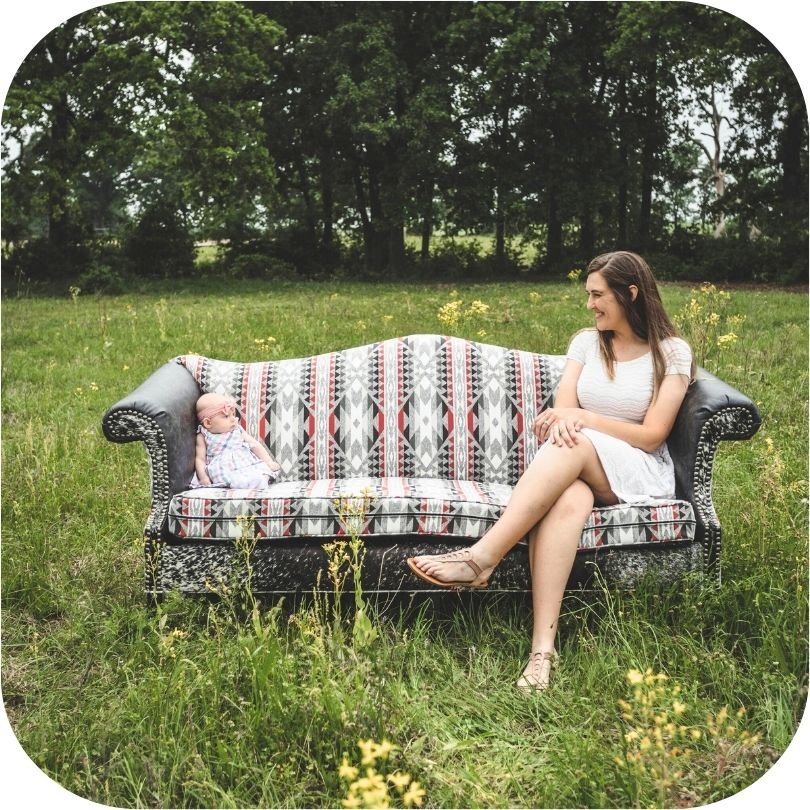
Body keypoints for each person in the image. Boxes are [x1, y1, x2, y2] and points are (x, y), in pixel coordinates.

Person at [407, 251, 694, 692]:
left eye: (598, 295)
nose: (590, 304)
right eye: (588, 295)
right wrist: (568, 418)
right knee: (569, 497)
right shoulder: (586, 342)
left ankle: (482, 558)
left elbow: (653, 434)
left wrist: (583, 419)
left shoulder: (671, 352)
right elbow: (562, 407)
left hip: (636, 470)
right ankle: (542, 653)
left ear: (630, 293)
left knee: (573, 440)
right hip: (577, 463)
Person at [192, 392, 281, 489]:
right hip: (224, 469)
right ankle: (241, 483)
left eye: (233, 414)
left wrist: (268, 461)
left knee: (260, 470)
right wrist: (203, 478)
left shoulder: (237, 429)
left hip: (246, 463)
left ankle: (259, 480)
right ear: (208, 423)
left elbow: (255, 445)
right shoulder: (203, 436)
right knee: (232, 478)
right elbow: (200, 459)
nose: (233, 419)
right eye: (226, 416)